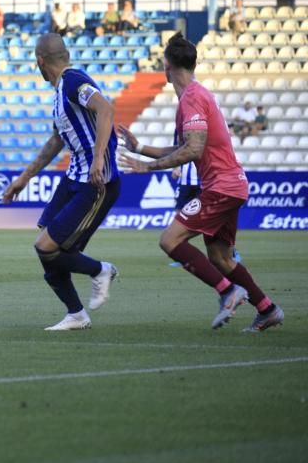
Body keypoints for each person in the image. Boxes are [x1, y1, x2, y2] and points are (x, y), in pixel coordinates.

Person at [118, 33, 282, 332]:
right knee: (220, 257)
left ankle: (228, 292)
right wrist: (139, 148)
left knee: (169, 240)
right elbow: (188, 147)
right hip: (230, 185)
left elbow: (193, 150)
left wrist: (147, 168)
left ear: (166, 66)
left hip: (221, 186)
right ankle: (267, 309)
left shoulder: (192, 98)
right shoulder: (196, 96)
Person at [1, 33, 119, 331]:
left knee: (48, 247)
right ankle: (76, 314)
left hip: (95, 182)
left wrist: (98, 158)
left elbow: (105, 109)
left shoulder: (73, 81)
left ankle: (101, 270)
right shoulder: (60, 92)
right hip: (73, 178)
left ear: (40, 61)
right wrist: (23, 178)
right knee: (46, 245)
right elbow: (56, 141)